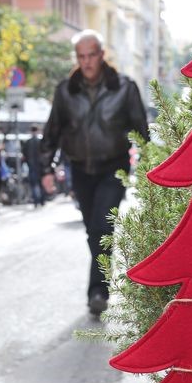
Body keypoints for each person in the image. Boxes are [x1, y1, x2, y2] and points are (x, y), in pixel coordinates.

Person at [40, 29, 149, 316]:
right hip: (80, 169)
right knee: (93, 230)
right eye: (81, 56)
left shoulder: (124, 88)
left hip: (113, 167)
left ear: (102, 55)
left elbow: (142, 130)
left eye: (91, 55)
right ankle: (101, 281)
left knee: (102, 227)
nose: (86, 62)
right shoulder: (66, 90)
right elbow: (52, 131)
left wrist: (150, 164)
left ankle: (98, 291)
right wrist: (46, 168)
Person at [23, 125, 45, 207]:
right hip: (40, 165)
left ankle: (36, 201)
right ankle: (42, 200)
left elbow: (24, 154)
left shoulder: (28, 142)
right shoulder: (41, 141)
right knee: (40, 183)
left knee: (34, 184)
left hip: (31, 165)